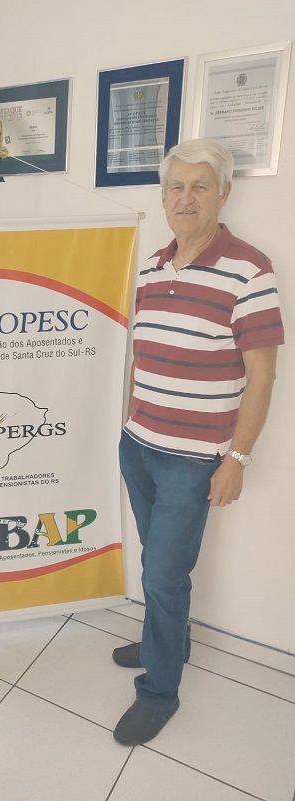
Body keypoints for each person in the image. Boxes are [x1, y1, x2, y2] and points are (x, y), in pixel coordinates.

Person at [113, 139, 284, 746]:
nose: (185, 198)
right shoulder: (151, 266)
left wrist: (236, 458)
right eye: (175, 187)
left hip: (192, 460)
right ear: (163, 197)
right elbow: (140, 355)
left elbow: (262, 375)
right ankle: (168, 640)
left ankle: (159, 690)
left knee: (165, 572)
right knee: (154, 561)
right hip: (139, 445)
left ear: (223, 194)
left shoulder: (249, 269)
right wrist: (127, 424)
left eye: (199, 187)